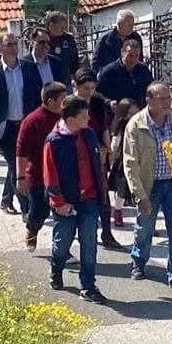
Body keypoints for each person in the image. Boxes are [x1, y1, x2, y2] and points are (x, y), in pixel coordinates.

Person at [124, 81, 172, 292]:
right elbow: (130, 163)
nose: (167, 102)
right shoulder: (136, 125)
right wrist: (139, 195)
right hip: (149, 185)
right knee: (145, 227)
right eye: (161, 99)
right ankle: (138, 262)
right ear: (149, 100)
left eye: (169, 98)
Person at [44, 95, 108, 304]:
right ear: (71, 119)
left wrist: (102, 191)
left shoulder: (88, 134)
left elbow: (97, 165)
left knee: (89, 243)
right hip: (65, 202)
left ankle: (88, 286)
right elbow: (49, 175)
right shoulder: (54, 141)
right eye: (83, 116)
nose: (88, 118)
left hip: (89, 199)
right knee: (63, 241)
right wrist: (58, 202)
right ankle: (56, 269)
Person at [0, 33, 43, 214]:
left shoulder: (29, 67)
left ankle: (6, 199)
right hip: (5, 127)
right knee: (16, 166)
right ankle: (27, 209)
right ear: (0, 48)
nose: (13, 48)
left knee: (16, 166)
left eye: (15, 44)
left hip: (25, 126)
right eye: (8, 45)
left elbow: (37, 96)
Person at [72, 68, 122, 250]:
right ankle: (77, 234)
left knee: (102, 193)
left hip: (97, 152)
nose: (89, 93)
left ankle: (107, 233)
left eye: (92, 88)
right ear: (74, 86)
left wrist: (109, 150)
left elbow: (104, 128)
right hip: (74, 153)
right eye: (85, 89)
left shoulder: (98, 102)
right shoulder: (68, 104)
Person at [18, 82, 67, 251]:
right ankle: (32, 231)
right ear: (51, 101)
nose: (66, 102)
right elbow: (21, 152)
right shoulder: (32, 121)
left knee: (62, 214)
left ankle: (61, 249)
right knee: (39, 211)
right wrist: (21, 177)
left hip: (61, 175)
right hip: (38, 175)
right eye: (62, 99)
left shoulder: (67, 118)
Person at [97, 39, 154, 109]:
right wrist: (108, 102)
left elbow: (151, 88)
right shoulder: (109, 72)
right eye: (130, 55)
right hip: (118, 114)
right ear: (122, 52)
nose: (133, 59)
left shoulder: (143, 70)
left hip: (140, 113)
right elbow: (97, 94)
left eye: (136, 55)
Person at [108, 99, 137, 227]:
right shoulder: (121, 125)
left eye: (135, 112)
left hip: (139, 160)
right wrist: (111, 159)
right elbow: (115, 143)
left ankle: (146, 220)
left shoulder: (141, 123)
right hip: (123, 161)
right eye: (130, 113)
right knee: (122, 190)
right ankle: (118, 211)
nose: (133, 115)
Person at [45, 11, 79, 86]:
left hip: (65, 81)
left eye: (64, 26)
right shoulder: (43, 39)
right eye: (60, 26)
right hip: (47, 81)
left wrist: (75, 77)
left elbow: (74, 61)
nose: (63, 28)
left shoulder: (68, 39)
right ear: (51, 25)